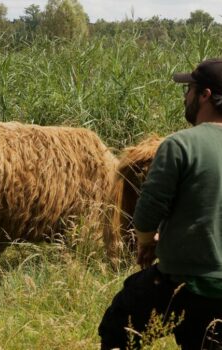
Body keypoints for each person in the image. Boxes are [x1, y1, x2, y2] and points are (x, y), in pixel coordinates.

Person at [98, 58, 222, 350]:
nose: (185, 97)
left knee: (118, 329)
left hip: (186, 281)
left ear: (205, 95)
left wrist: (146, 242)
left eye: (189, 90)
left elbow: (146, 215)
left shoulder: (180, 145)